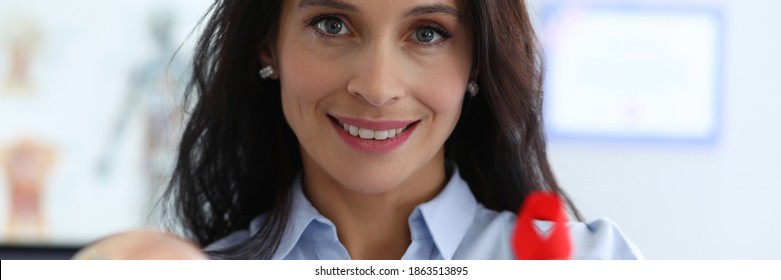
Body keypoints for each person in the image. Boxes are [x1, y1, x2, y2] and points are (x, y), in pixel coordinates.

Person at [77, 0, 642, 260]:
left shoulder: (591, 265)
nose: (377, 86)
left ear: (477, 61)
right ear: (268, 46)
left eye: (427, 33)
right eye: (331, 24)